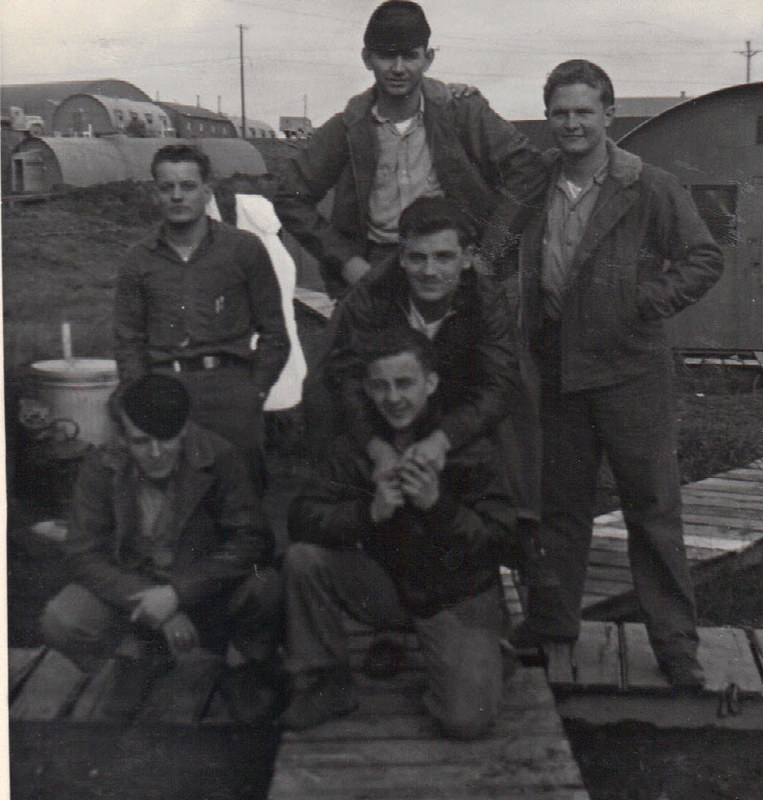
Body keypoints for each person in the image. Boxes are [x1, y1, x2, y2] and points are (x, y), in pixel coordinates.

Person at [513, 60, 724, 688]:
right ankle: (553, 624)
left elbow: (703, 257)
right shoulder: (535, 187)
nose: (572, 124)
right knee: (561, 508)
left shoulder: (647, 185)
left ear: (609, 114)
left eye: (584, 111)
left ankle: (675, 645)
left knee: (652, 507)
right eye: (560, 112)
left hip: (631, 371)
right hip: (558, 370)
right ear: (547, 117)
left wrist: (644, 302)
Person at [282, 327, 520, 735]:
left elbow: (504, 542)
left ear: (431, 382)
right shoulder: (357, 446)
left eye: (405, 383)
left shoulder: (466, 445)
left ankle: (485, 649)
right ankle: (328, 682)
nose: (393, 398)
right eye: (380, 386)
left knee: (467, 720)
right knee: (303, 559)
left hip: (455, 597)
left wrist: (439, 507)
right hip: (389, 589)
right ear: (368, 390)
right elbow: (302, 517)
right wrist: (366, 513)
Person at [311, 194, 544, 583]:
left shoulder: (486, 299)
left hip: (458, 405)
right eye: (417, 257)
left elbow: (498, 383)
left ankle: (521, 534)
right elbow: (347, 374)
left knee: (517, 406)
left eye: (443, 257)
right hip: (386, 403)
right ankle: (341, 545)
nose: (430, 270)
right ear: (401, 257)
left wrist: (443, 438)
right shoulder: (372, 293)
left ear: (467, 258)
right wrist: (376, 446)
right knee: (320, 394)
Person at [274, 0, 544, 298]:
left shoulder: (460, 111)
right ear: (367, 58)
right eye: (387, 56)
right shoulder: (347, 126)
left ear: (428, 58)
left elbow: (528, 170)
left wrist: (487, 254)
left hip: (454, 269)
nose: (399, 68)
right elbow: (290, 196)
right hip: (378, 272)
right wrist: (346, 261)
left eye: (410, 56)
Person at [41, 374, 282, 693]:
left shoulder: (219, 455)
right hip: (136, 598)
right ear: (123, 437)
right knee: (64, 618)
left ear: (184, 429)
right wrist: (161, 611)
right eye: (141, 440)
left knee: (265, 585)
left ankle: (243, 667)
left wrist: (178, 594)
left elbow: (253, 541)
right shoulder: (101, 465)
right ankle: (138, 654)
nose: (156, 452)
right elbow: (83, 554)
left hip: (205, 593)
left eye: (167, 438)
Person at [113, 143, 290, 489]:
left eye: (188, 186)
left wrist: (253, 391)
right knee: (176, 502)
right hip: (164, 389)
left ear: (207, 191)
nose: (177, 196)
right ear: (155, 194)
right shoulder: (138, 260)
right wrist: (141, 400)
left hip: (230, 391)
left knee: (242, 497)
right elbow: (128, 340)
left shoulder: (243, 249)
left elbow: (275, 332)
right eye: (167, 188)